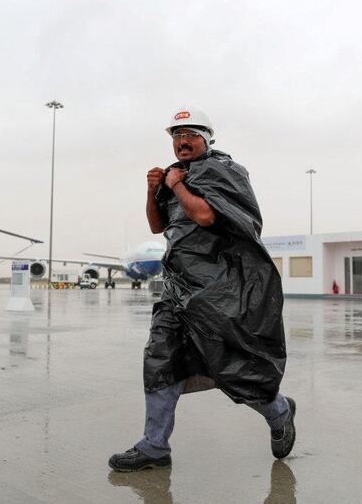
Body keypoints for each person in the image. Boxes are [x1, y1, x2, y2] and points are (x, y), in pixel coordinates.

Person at [108, 106, 295, 472]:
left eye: (190, 135)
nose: (182, 141)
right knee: (160, 360)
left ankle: (280, 410)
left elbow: (208, 215)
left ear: (207, 138)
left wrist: (176, 184)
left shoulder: (223, 172)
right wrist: (153, 191)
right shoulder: (175, 176)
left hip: (217, 291)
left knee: (230, 367)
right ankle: (154, 446)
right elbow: (157, 226)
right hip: (178, 290)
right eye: (176, 136)